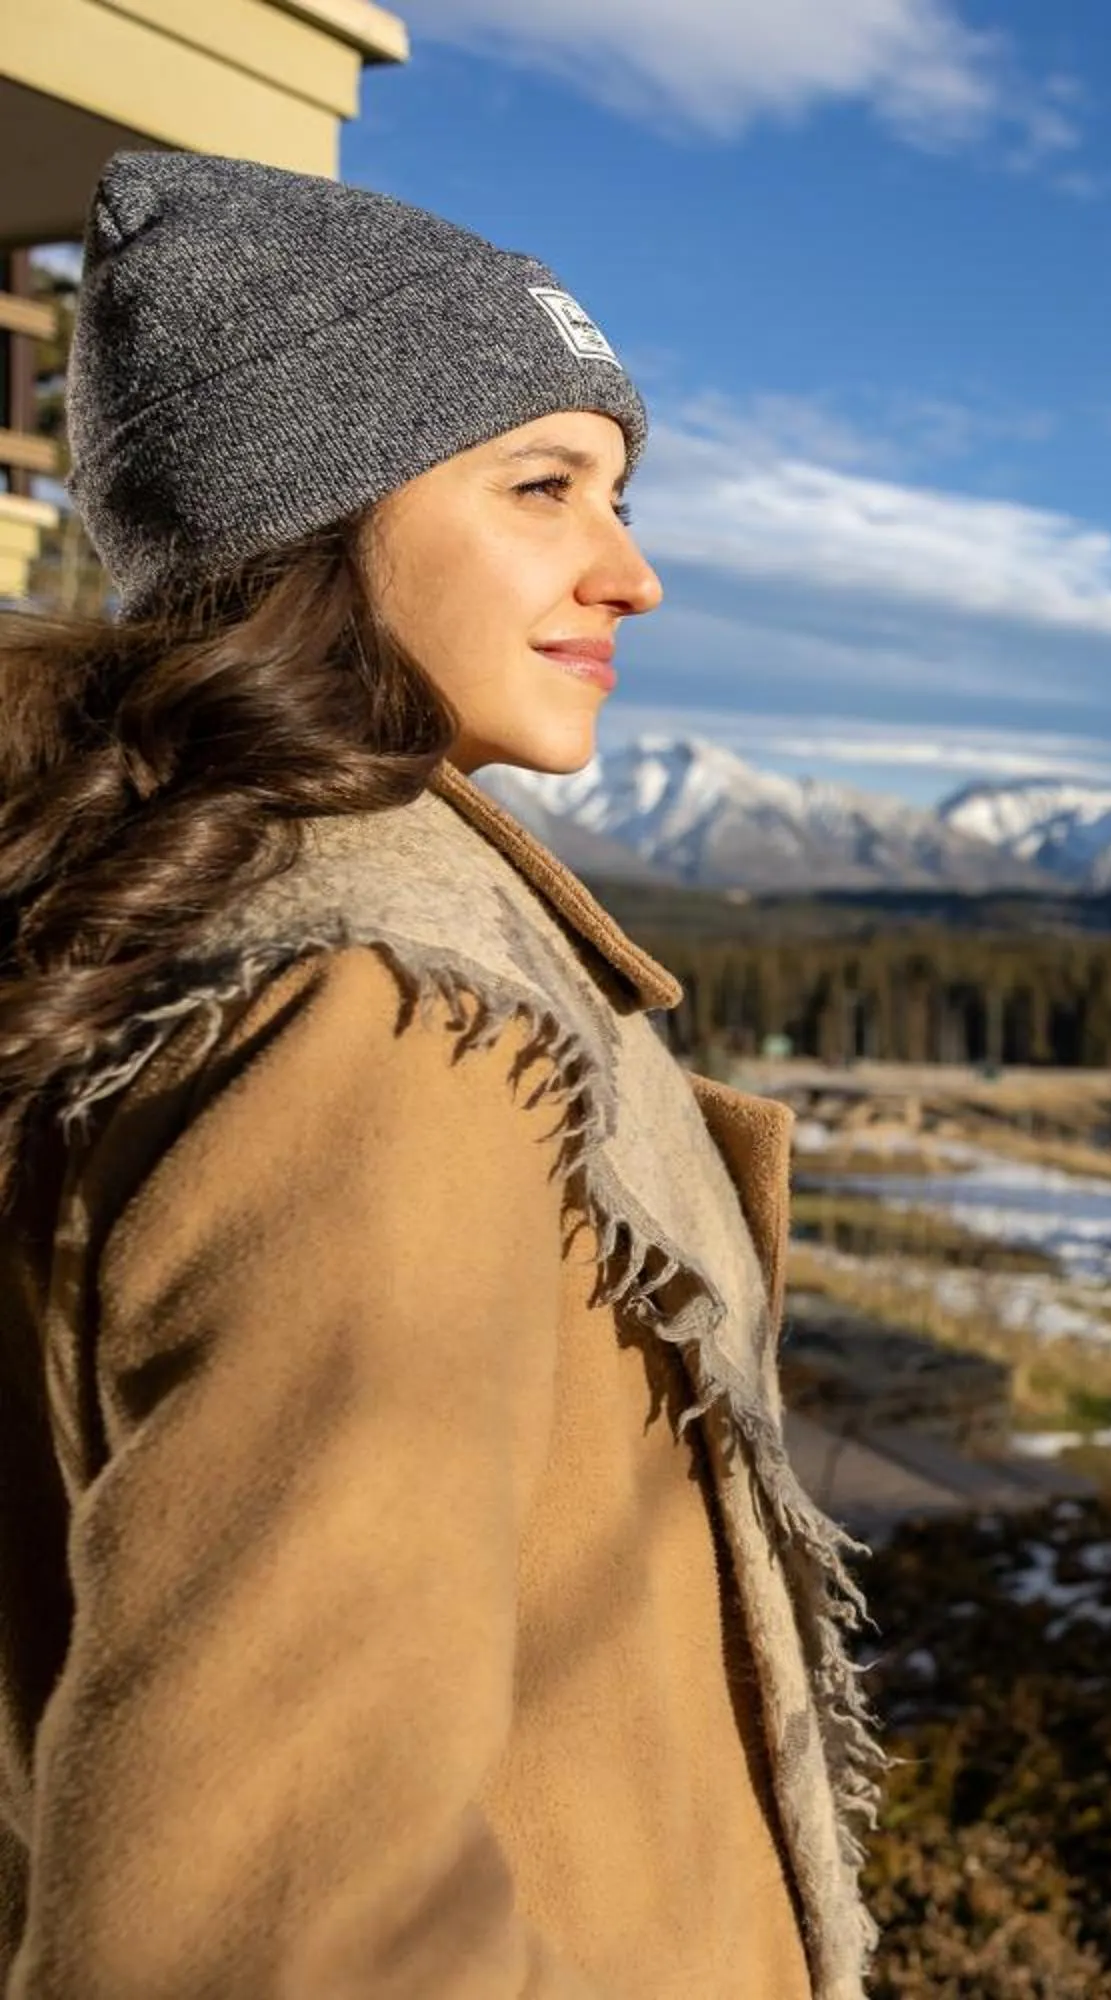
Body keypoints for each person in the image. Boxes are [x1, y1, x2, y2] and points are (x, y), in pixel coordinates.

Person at [0, 155, 880, 1997]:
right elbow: (277, 1913)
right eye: (540, 486)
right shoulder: (383, 1015)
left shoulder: (144, 906)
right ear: (306, 518)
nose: (630, 571)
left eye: (619, 494)